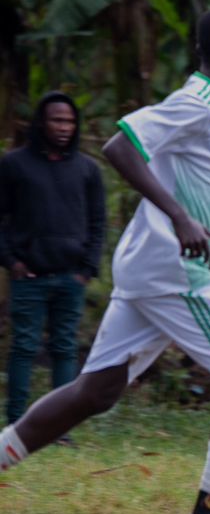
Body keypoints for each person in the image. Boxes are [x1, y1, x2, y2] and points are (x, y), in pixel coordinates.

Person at [0, 7, 210, 514]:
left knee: (95, 392)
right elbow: (120, 146)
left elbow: (193, 197)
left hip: (149, 266)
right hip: (172, 269)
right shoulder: (199, 103)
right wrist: (179, 219)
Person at [0, 92, 106, 427]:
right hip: (28, 276)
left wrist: (87, 269)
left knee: (64, 348)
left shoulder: (88, 169)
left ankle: (59, 427)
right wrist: (12, 262)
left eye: (70, 121)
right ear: (41, 123)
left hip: (70, 276)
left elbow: (98, 222)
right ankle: (16, 423)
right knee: (24, 347)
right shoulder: (14, 164)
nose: (64, 127)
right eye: (57, 120)